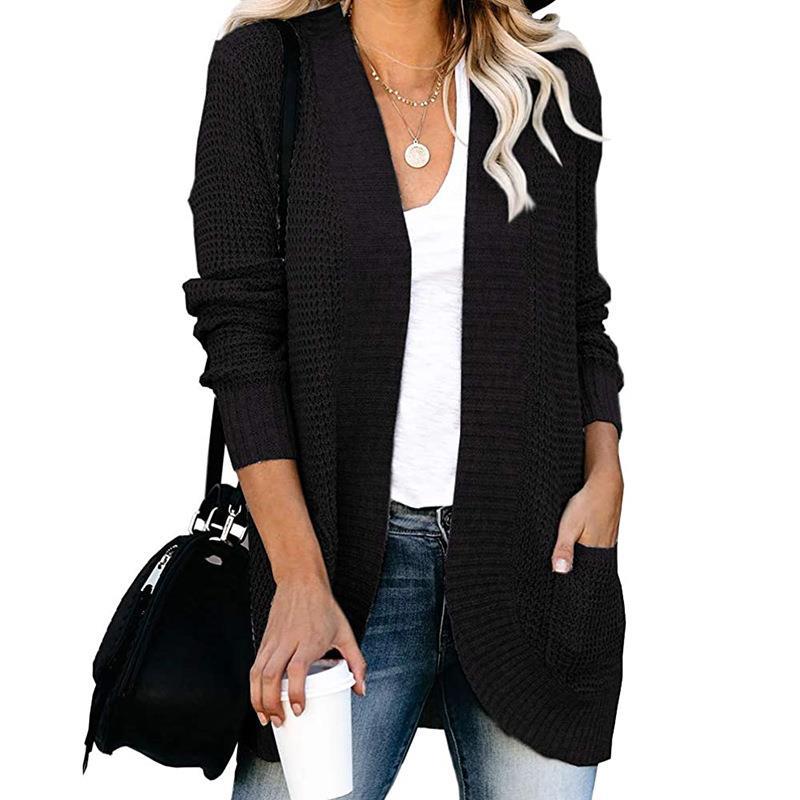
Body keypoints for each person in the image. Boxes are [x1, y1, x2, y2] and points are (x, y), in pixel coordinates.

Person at [184, 0, 625, 797]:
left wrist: (606, 470)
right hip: (335, 566)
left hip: (535, 556)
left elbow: (579, 311)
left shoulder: (547, 78)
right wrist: (298, 575)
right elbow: (241, 341)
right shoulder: (266, 71)